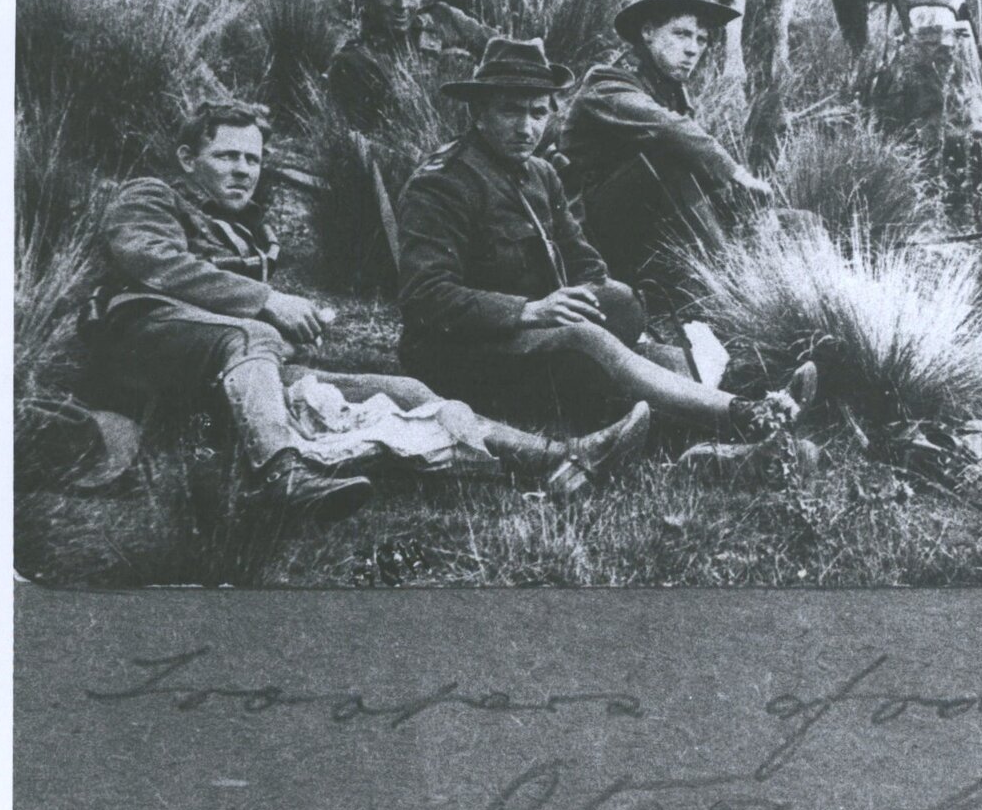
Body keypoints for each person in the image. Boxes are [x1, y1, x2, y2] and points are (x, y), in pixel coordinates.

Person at [87, 100, 654, 523]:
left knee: (404, 392)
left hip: (225, 362)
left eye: (252, 159)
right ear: (188, 159)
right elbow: (154, 264)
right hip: (142, 342)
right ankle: (282, 475)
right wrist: (267, 302)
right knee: (250, 335)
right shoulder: (150, 195)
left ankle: (553, 456)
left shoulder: (249, 229)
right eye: (225, 156)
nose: (243, 170)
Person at [396, 36, 813, 444]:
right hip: (461, 356)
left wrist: (600, 296)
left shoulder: (540, 174)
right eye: (510, 111)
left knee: (638, 331)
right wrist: (530, 310)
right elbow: (426, 297)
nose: (526, 127)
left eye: (537, 112)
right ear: (478, 112)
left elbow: (584, 262)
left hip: (536, 338)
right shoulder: (443, 183)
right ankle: (748, 416)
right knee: (590, 343)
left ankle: (738, 435)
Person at [558, 0, 775, 311]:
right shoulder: (606, 83)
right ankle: (732, 295)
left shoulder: (671, 91)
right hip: (585, 241)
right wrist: (735, 173)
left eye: (702, 40)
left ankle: (755, 283)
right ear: (648, 32)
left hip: (641, 230)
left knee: (795, 221)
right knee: (670, 160)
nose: (692, 49)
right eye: (681, 33)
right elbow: (668, 130)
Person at [322, 0, 498, 134]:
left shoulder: (444, 19)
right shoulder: (351, 64)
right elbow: (359, 145)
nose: (402, 5)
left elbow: (507, 51)